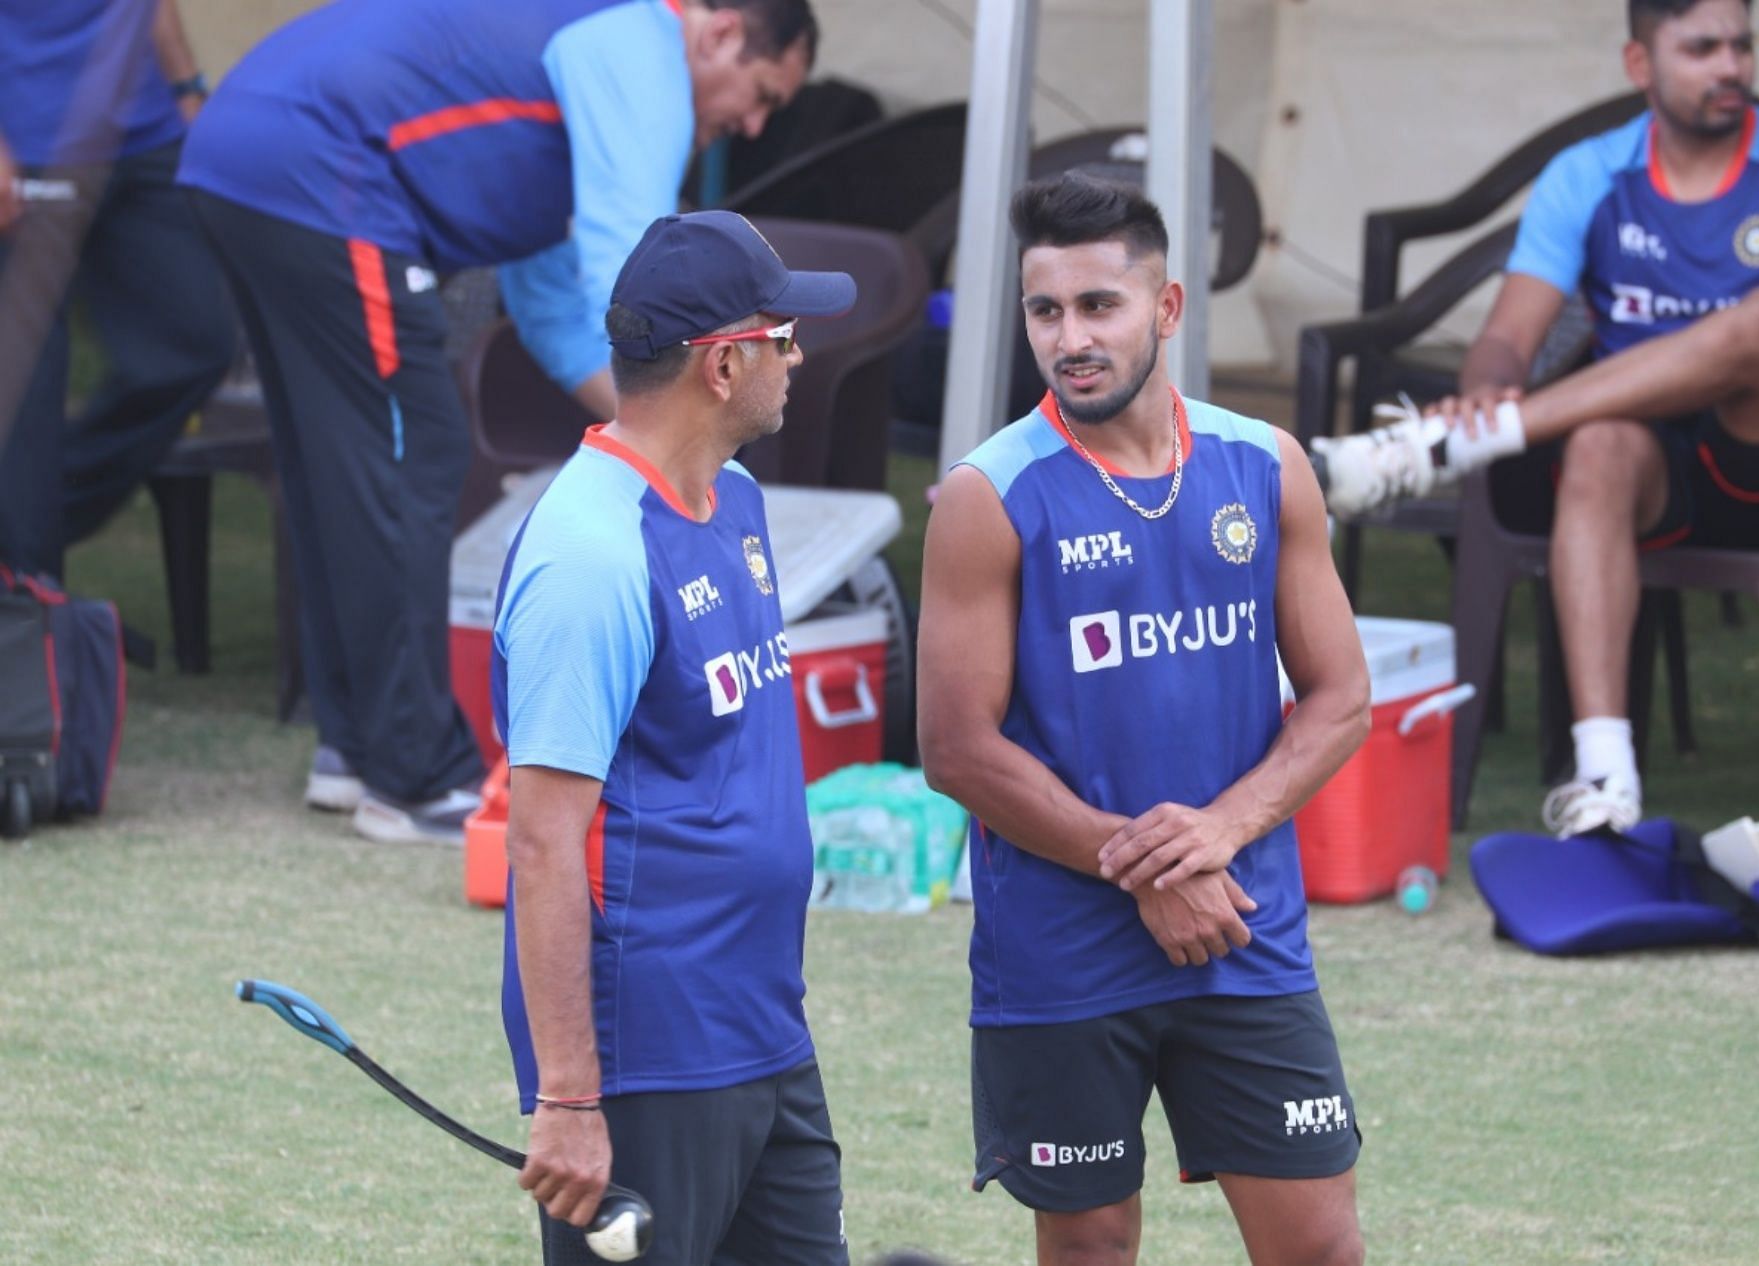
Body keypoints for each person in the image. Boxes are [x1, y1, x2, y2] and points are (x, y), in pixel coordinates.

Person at [175, 0, 817, 844]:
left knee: (339, 456)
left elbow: (556, 312)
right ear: (722, 30)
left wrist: (673, 448)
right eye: (763, 92)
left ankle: (354, 746)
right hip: (324, 164)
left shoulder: (580, 113)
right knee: (413, 451)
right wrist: (707, 400)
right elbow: (640, 270)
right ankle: (414, 775)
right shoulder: (645, 46)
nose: (755, 121)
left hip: (245, 152)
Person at [917, 172, 1371, 1266]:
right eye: (1045, 311)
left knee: (1319, 1247)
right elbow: (956, 749)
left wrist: (1216, 837)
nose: (1069, 337)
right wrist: (1152, 867)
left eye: (1098, 306)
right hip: (1062, 952)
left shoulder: (1263, 467)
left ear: (1165, 310)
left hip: (1241, 926)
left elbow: (1340, 697)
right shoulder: (987, 496)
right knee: (1090, 1251)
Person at [1311, 0, 1759, 837]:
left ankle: (1444, 451)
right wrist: (1486, 387)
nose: (1730, 67)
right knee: (1593, 446)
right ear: (1639, 65)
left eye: (1741, 45)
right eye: (1700, 48)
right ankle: (1605, 781)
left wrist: (1757, 358)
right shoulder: (1591, 175)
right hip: (1649, 465)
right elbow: (1505, 343)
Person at [495, 209, 854, 1266]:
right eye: (785, 336)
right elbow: (541, 843)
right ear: (723, 363)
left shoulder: (733, 502)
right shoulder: (588, 558)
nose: (799, 356)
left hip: (763, 1030)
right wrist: (567, 1096)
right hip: (649, 1054)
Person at [0, 0, 234, 580]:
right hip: (27, 142)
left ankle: (29, 532)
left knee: (197, 341)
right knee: (28, 391)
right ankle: (31, 620)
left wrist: (188, 90)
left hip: (144, 134)